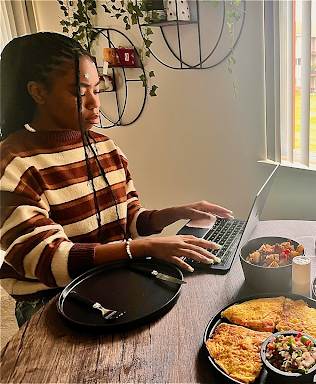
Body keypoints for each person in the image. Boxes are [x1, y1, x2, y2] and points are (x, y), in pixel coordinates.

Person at [0, 32, 233, 327]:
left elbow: (128, 220)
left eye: (97, 89)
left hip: (110, 275)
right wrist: (144, 248)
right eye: (79, 92)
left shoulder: (105, 147)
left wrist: (176, 213)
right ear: (38, 92)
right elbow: (46, 259)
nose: (94, 103)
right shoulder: (13, 165)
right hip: (50, 298)